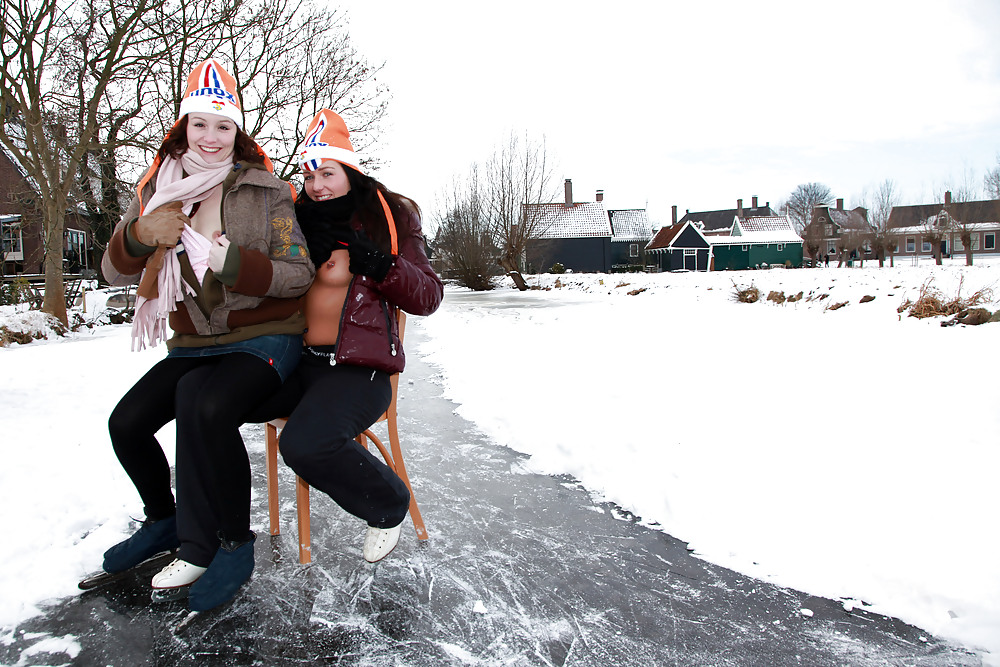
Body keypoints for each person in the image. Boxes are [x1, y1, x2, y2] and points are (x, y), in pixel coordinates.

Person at [98, 59, 314, 611]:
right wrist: (140, 235)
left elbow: (299, 274)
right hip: (195, 339)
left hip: (266, 333)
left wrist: (234, 262)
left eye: (223, 126)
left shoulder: (269, 192)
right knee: (127, 422)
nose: (211, 137)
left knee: (211, 407)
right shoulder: (156, 187)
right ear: (184, 127)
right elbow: (114, 272)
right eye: (200, 124)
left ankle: (232, 544)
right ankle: (165, 522)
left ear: (237, 132)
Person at [247, 108, 443, 563]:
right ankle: (216, 535)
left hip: (359, 369)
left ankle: (388, 505)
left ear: (349, 171)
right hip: (300, 361)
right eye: (308, 174)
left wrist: (382, 266)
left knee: (303, 443)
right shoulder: (293, 222)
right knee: (219, 399)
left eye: (327, 173)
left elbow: (429, 295)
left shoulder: (387, 218)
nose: (316, 186)